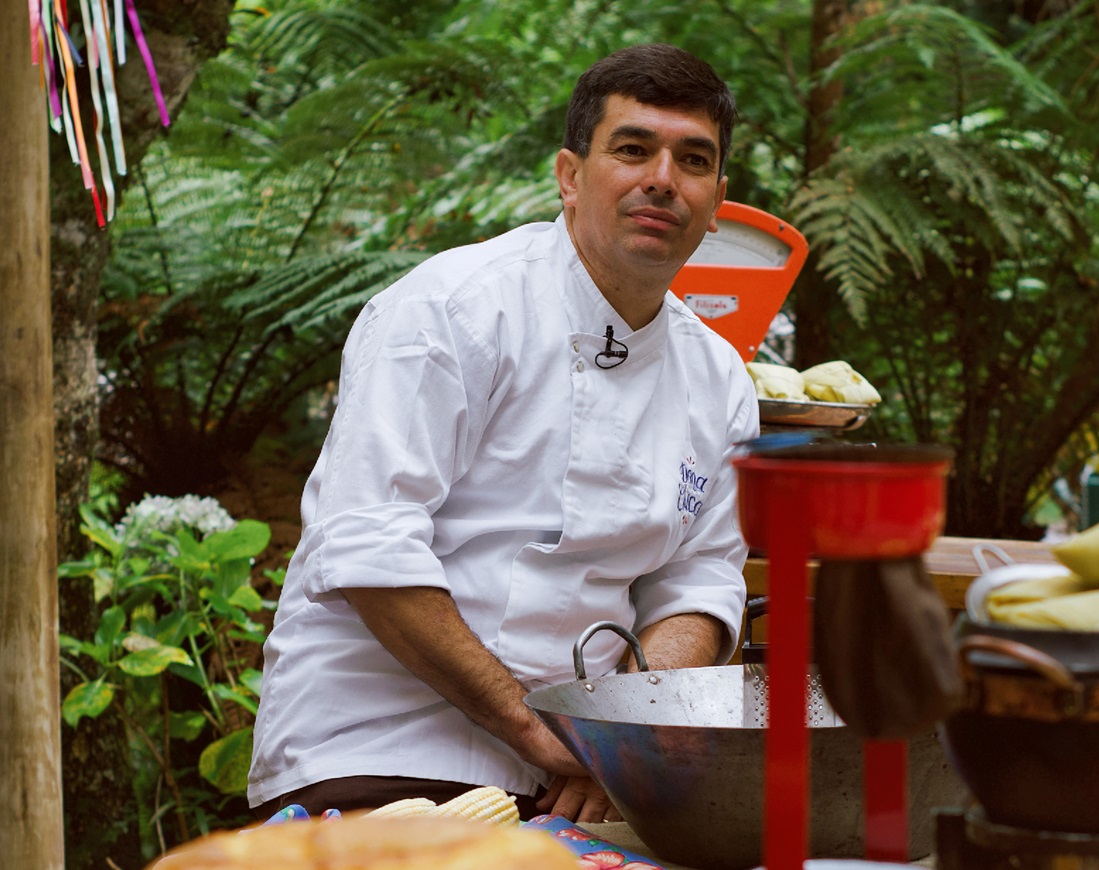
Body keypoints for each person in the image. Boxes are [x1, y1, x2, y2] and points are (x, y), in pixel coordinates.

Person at [247, 42, 758, 825]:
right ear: (569, 175)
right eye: (631, 149)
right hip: (381, 747)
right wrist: (535, 730)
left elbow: (699, 585)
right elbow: (370, 545)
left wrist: (621, 745)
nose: (662, 178)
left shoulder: (719, 380)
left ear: (716, 200)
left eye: (693, 160)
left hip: (588, 775)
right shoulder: (451, 311)